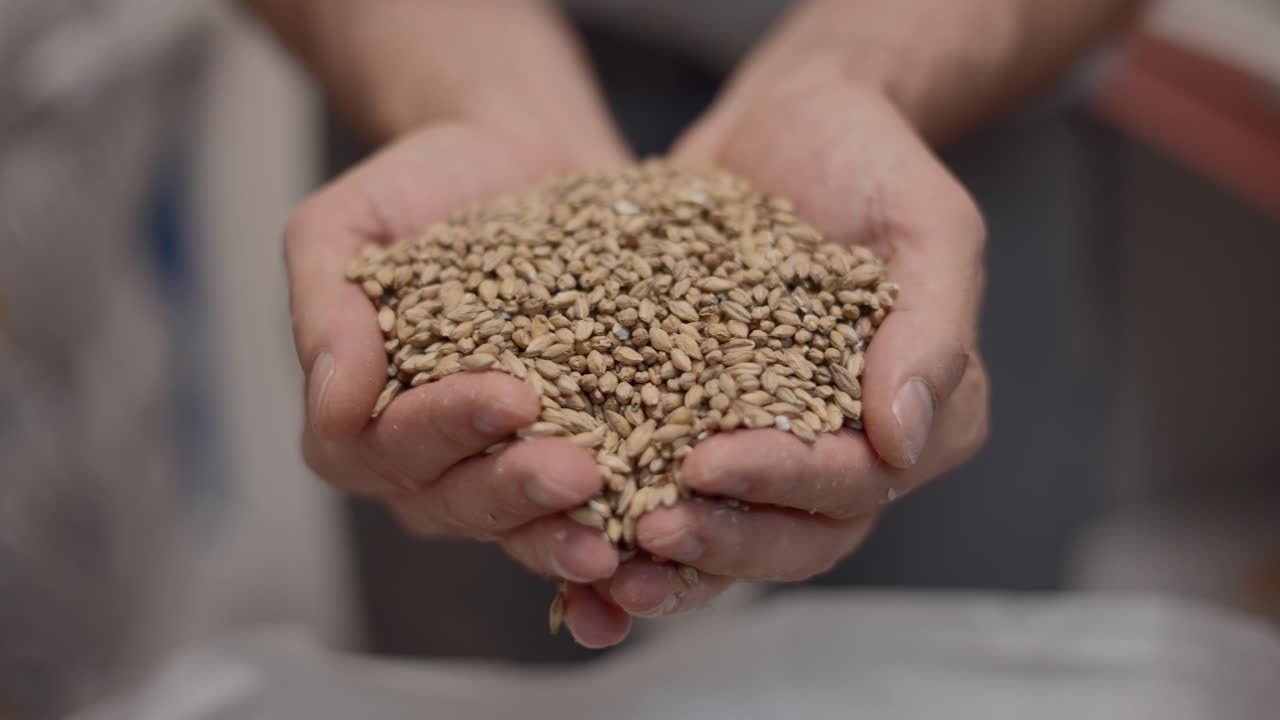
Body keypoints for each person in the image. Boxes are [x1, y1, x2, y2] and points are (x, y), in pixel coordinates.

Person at [253, 0, 1145, 648]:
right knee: (482, 656)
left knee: (945, 647)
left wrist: (861, 65)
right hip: (441, 39)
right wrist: (463, 90)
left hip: (966, 57)